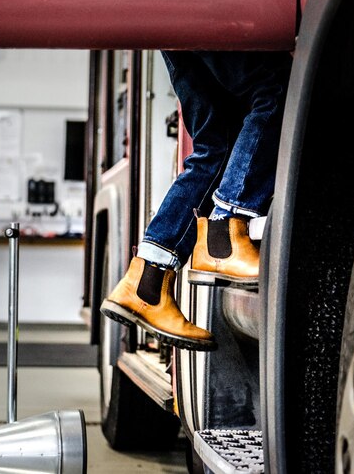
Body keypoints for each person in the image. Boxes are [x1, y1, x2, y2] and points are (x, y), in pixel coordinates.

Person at [101, 50, 292, 351]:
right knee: (277, 87)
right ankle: (224, 234)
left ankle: (147, 282)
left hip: (174, 18)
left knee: (215, 145)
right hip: (206, 7)